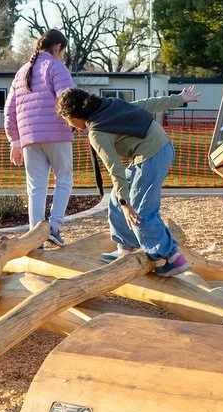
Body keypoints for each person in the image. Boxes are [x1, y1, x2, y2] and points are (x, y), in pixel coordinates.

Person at [55, 84, 200, 276]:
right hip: (159, 148)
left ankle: (173, 258)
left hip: (150, 156)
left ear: (74, 115)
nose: (70, 125)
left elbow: (116, 170)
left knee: (139, 211)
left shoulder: (97, 132)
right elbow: (146, 104)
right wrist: (179, 99)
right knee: (116, 197)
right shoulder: (109, 106)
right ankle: (124, 248)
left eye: (67, 120)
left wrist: (126, 204)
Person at [4, 30, 76, 246]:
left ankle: (35, 237)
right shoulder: (56, 67)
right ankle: (54, 227)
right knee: (64, 178)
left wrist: (14, 141)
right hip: (57, 133)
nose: (63, 56)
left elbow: (9, 109)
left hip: (29, 137)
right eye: (63, 51)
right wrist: (78, 125)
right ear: (58, 48)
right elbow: (68, 99)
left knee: (35, 187)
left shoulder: (21, 72)